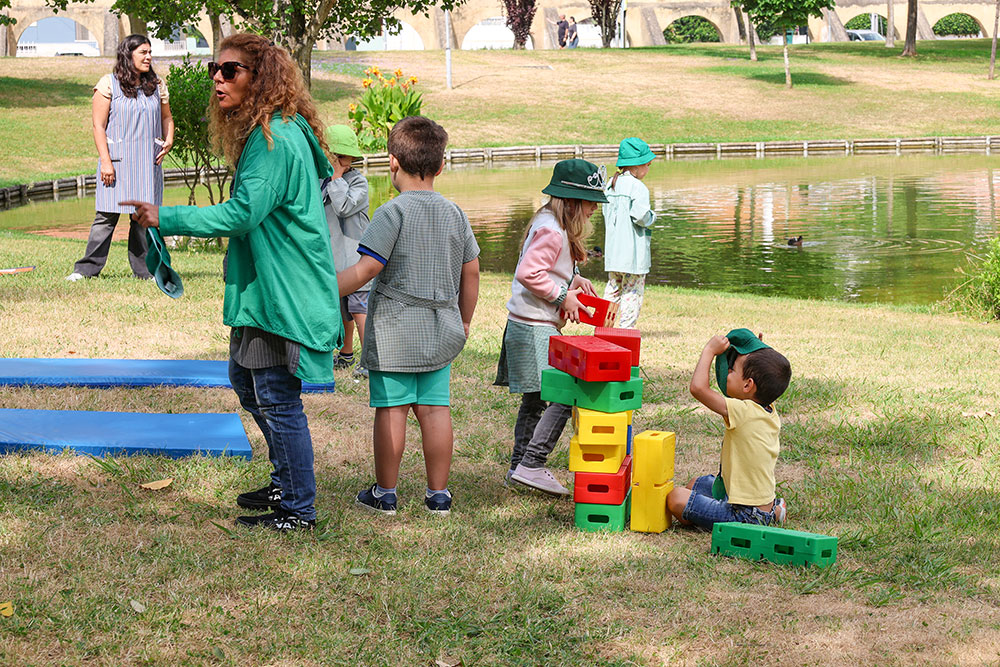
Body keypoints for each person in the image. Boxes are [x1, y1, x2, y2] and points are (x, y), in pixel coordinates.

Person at [124, 33, 343, 532]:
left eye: (230, 71)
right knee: (247, 382)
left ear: (260, 77)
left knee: (276, 397)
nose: (218, 80)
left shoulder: (275, 138)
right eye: (214, 70)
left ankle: (298, 508)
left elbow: (243, 213)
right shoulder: (272, 130)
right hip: (266, 287)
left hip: (283, 291)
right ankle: (286, 480)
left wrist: (164, 216)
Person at [335, 116, 480, 516]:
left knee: (392, 409)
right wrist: (465, 320)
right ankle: (438, 496)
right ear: (440, 166)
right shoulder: (455, 214)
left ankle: (385, 494)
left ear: (393, 162)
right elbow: (471, 271)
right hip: (441, 328)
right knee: (435, 410)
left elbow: (366, 269)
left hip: (394, 332)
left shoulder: (391, 213)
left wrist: (323, 289)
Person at [496, 159, 606, 496]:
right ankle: (532, 462)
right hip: (533, 327)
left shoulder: (552, 223)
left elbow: (549, 266)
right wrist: (562, 296)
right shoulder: (552, 230)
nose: (594, 209)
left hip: (531, 323)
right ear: (571, 201)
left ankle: (519, 468)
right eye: (590, 202)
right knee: (565, 391)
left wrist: (574, 279)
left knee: (535, 400)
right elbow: (529, 273)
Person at [66, 34, 174, 282]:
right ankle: (85, 270)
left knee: (142, 219)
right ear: (128, 54)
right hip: (116, 162)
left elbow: (166, 117)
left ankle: (145, 271)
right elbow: (98, 126)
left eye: (150, 52)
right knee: (106, 217)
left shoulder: (157, 84)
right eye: (143, 52)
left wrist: (169, 138)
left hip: (147, 163)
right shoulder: (108, 84)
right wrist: (105, 161)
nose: (148, 57)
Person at [667, 329, 791, 529]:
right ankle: (772, 511)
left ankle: (759, 519)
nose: (728, 371)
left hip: (744, 514)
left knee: (676, 498)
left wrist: (709, 351)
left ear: (748, 385)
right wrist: (758, 354)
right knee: (694, 484)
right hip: (748, 499)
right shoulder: (766, 407)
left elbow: (698, 389)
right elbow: (766, 376)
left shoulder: (744, 412)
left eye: (732, 370)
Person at [323, 124, 371, 378]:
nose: (344, 162)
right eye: (339, 157)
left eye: (346, 158)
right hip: (333, 260)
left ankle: (370, 360)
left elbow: (342, 207)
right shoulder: (323, 181)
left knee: (358, 308)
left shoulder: (358, 182)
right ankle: (346, 353)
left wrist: (337, 177)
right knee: (342, 310)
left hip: (356, 259)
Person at [602, 137, 657, 329]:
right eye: (647, 165)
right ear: (636, 166)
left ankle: (604, 327)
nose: (648, 169)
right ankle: (626, 330)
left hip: (613, 251)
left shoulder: (610, 184)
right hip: (633, 253)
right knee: (632, 291)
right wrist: (652, 217)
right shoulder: (638, 187)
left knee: (613, 289)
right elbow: (641, 216)